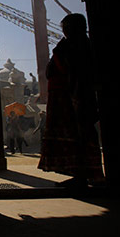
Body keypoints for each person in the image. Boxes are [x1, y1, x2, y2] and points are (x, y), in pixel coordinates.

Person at [38, 13, 104, 188]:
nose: (64, 31)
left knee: (78, 135)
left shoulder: (76, 46)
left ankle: (83, 175)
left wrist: (76, 97)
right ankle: (80, 174)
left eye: (67, 27)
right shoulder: (78, 45)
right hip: (65, 98)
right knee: (75, 136)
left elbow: (76, 73)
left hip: (71, 98)